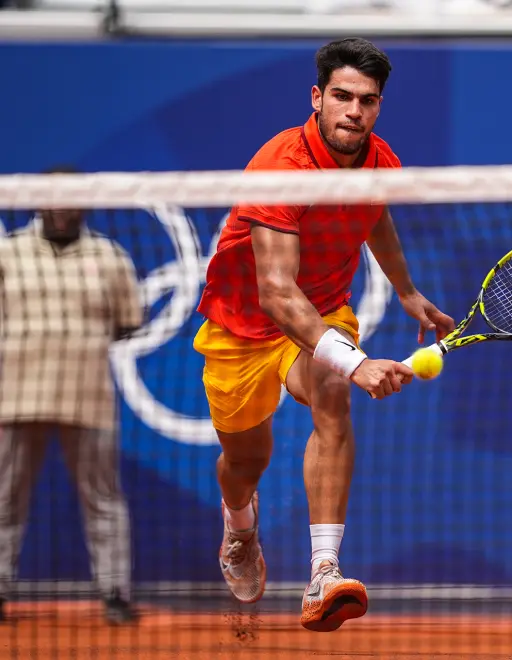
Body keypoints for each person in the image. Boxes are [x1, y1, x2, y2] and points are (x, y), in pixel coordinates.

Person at [194, 37, 455, 633]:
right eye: (341, 96)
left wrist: (406, 290)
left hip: (325, 308)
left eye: (367, 100)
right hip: (243, 326)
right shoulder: (280, 166)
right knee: (245, 462)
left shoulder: (379, 161)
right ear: (317, 97)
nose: (353, 111)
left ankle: (323, 572)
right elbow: (278, 293)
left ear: (379, 106)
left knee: (332, 394)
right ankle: (239, 527)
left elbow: (376, 216)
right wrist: (358, 363)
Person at [0, 165, 142, 625]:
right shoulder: (7, 254)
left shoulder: (110, 257)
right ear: (38, 201)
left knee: (103, 499)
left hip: (88, 397)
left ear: (85, 202)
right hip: (15, 397)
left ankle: (115, 594)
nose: (62, 207)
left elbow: (126, 322)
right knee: (4, 499)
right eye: (53, 197)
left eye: (71, 197)